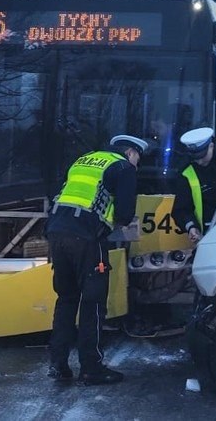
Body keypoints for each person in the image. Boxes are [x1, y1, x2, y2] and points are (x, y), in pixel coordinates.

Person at [46, 134, 147, 386]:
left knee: (66, 299)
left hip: (56, 233)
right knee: (93, 303)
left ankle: (58, 365)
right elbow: (124, 214)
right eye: (139, 159)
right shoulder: (123, 168)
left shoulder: (84, 160)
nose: (137, 164)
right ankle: (92, 368)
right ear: (131, 153)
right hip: (87, 241)